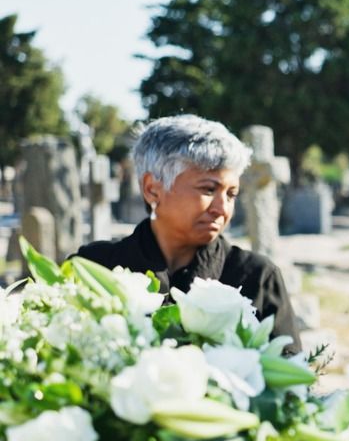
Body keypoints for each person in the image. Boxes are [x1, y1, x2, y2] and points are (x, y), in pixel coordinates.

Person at [75, 114, 300, 355]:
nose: (221, 208)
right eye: (208, 189)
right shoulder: (94, 268)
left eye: (231, 194)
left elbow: (291, 384)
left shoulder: (257, 277)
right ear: (152, 189)